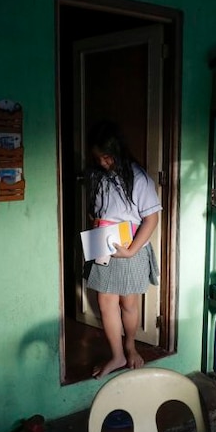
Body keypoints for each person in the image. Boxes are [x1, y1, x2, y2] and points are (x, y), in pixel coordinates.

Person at [83, 120, 161, 379]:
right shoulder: (100, 177)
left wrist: (131, 251)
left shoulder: (139, 179)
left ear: (117, 151)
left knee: (128, 302)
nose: (103, 163)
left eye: (107, 157)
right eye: (99, 158)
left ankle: (130, 346)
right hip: (105, 247)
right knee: (105, 302)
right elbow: (98, 210)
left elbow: (151, 219)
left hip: (130, 249)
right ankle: (117, 355)